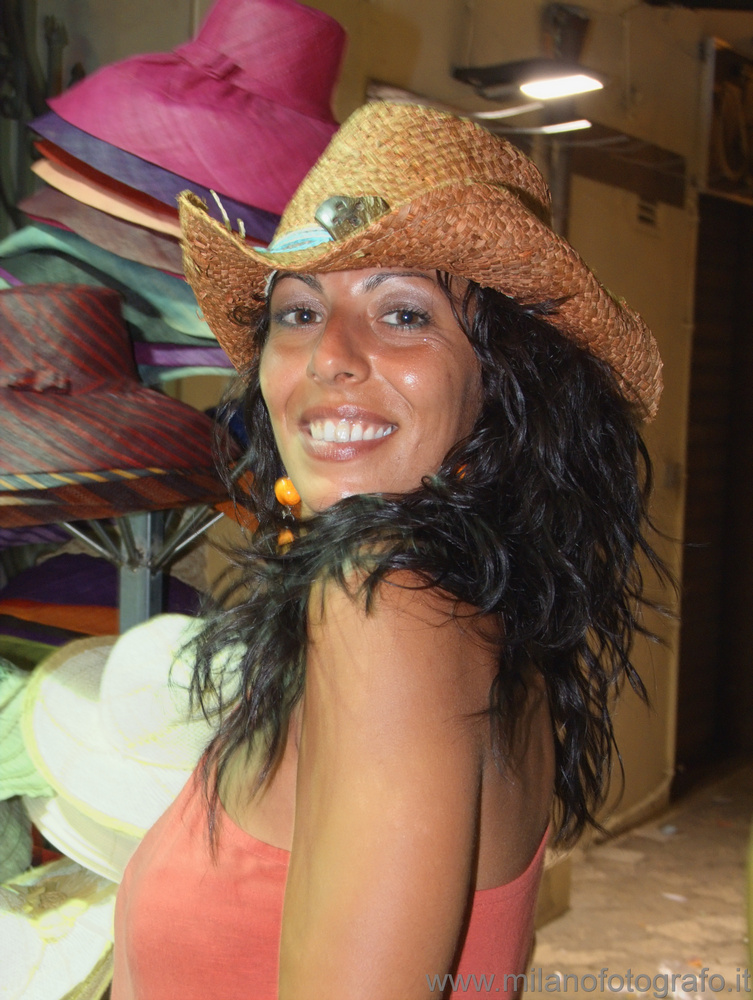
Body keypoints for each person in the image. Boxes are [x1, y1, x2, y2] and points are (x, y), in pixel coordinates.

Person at [111, 101, 667, 1000]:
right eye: (297, 312)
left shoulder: (384, 603)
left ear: (502, 380)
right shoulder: (480, 610)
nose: (329, 355)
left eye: (403, 314)